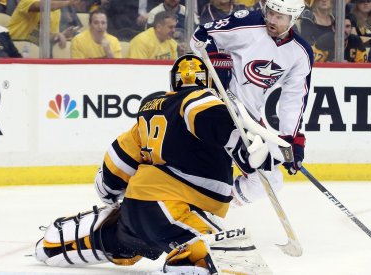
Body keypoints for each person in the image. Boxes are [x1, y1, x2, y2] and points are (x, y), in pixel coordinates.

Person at [34, 54, 272, 274]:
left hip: (141, 210)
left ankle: (53, 245)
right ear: (207, 82)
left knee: (122, 238)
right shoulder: (199, 100)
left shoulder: (151, 108)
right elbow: (204, 114)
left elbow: (118, 162)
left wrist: (108, 192)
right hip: (168, 207)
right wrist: (242, 145)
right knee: (223, 255)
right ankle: (190, 264)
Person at [190, 0, 313, 204]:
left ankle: (218, 208)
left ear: (294, 19)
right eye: (270, 13)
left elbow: (294, 99)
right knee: (266, 178)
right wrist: (216, 63)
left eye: (279, 17)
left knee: (272, 179)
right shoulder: (248, 22)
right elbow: (200, 36)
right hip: (216, 108)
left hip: (247, 118)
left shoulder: (300, 53)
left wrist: (292, 140)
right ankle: (208, 209)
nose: (271, 20)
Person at [8, 0, 80, 48]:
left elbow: (46, 36)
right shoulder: (26, 1)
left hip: (36, 49)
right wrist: (68, 2)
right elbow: (44, 6)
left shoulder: (56, 10)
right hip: (14, 45)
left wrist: (61, 35)